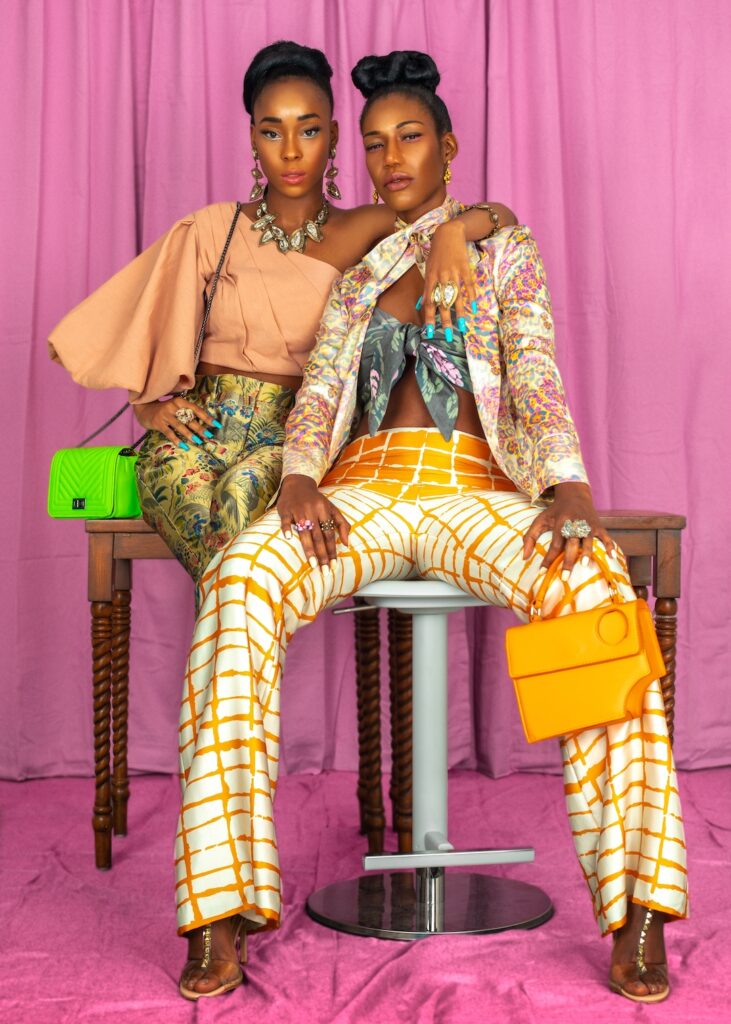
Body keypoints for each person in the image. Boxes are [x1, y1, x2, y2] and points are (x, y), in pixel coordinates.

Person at [175, 49, 689, 1004]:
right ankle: (219, 905)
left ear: (448, 147)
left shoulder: (502, 249)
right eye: (372, 144)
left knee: (590, 583)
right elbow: (323, 389)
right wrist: (295, 476)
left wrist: (566, 486)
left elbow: (530, 374)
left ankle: (636, 905)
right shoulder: (358, 267)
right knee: (239, 579)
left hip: (473, 489)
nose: (390, 157)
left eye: (409, 136)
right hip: (359, 492)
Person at [49, 41, 514, 585]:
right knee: (184, 495)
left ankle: (231, 657)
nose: (291, 151)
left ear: (335, 137)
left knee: (240, 516)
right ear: (253, 138)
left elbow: (498, 219)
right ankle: (241, 644)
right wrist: (150, 410)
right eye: (272, 131)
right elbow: (141, 324)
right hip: (199, 431)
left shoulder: (372, 228)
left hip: (292, 441)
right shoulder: (212, 229)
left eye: (309, 129)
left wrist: (457, 232)